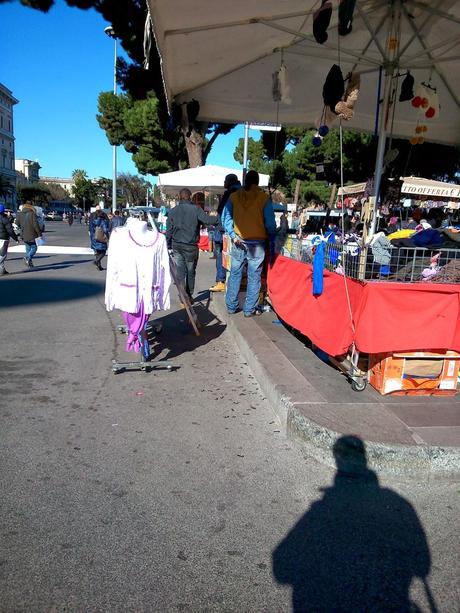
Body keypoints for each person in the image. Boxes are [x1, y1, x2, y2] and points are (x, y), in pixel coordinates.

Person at [222, 170, 276, 317]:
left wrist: (233, 235)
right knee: (254, 276)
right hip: (257, 243)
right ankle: (249, 309)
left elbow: (225, 218)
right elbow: (270, 223)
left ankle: (231, 306)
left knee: (235, 274)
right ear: (257, 182)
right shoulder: (263, 198)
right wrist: (272, 236)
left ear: (245, 180)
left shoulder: (234, 197)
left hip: (238, 240)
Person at [166, 188, 217, 302]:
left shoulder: (173, 211)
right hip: (190, 246)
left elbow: (169, 230)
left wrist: (167, 244)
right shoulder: (196, 209)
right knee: (190, 271)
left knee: (180, 271)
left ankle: (182, 295)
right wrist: (220, 218)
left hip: (177, 245)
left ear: (179, 197)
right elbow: (208, 220)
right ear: (190, 197)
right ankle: (188, 296)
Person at [210, 173, 241, 293]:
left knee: (221, 255)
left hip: (225, 230)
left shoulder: (230, 193)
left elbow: (223, 212)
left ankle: (221, 281)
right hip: (239, 230)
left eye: (225, 181)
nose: (224, 183)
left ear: (229, 182)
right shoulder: (243, 192)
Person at [15, 200, 42, 268]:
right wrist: (39, 234)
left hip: (23, 234)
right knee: (34, 248)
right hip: (32, 234)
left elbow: (17, 223)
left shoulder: (20, 213)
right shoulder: (32, 213)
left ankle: (29, 263)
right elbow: (35, 225)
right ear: (31, 206)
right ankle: (27, 258)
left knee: (28, 248)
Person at [0, 203, 19, 275]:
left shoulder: (5, 219)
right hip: (3, 239)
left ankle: (2, 270)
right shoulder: (5, 219)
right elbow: (10, 231)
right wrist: (16, 239)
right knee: (2, 255)